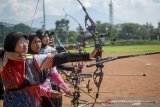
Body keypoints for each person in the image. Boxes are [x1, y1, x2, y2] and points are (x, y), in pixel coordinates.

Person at [0, 32, 99, 107]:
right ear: (12, 44)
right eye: (21, 42)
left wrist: (88, 55)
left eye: (26, 42)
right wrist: (5, 53)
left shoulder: (34, 59)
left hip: (34, 103)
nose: (25, 45)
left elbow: (62, 57)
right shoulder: (4, 61)